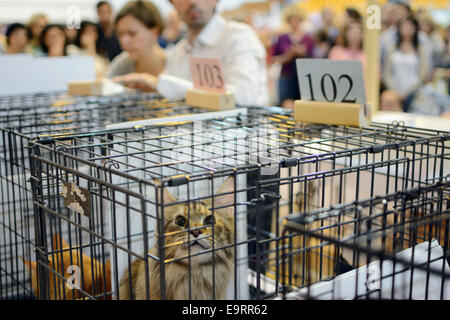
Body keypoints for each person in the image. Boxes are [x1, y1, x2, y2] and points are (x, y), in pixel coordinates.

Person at [114, 0, 269, 107]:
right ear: (173, 4)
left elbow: (243, 98)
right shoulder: (178, 53)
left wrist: (161, 85)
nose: (192, 2)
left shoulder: (238, 37)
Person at [382, 15, 431, 112]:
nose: (406, 29)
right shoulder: (391, 47)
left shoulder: (420, 49)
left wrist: (407, 92)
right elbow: (387, 72)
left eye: (409, 26)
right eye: (404, 26)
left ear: (415, 28)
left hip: (414, 91)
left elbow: (423, 73)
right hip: (394, 90)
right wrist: (394, 90)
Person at [107, 0, 166, 78]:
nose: (124, 41)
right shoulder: (121, 65)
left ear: (155, 32)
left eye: (132, 33)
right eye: (120, 34)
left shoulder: (175, 64)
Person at [271, 4, 314, 108]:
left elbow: (313, 59)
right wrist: (288, 56)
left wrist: (303, 53)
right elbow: (274, 58)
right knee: (287, 105)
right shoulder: (282, 37)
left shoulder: (308, 38)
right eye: (292, 19)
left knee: (304, 106)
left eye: (297, 19)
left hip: (304, 78)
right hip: (287, 76)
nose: (294, 21)